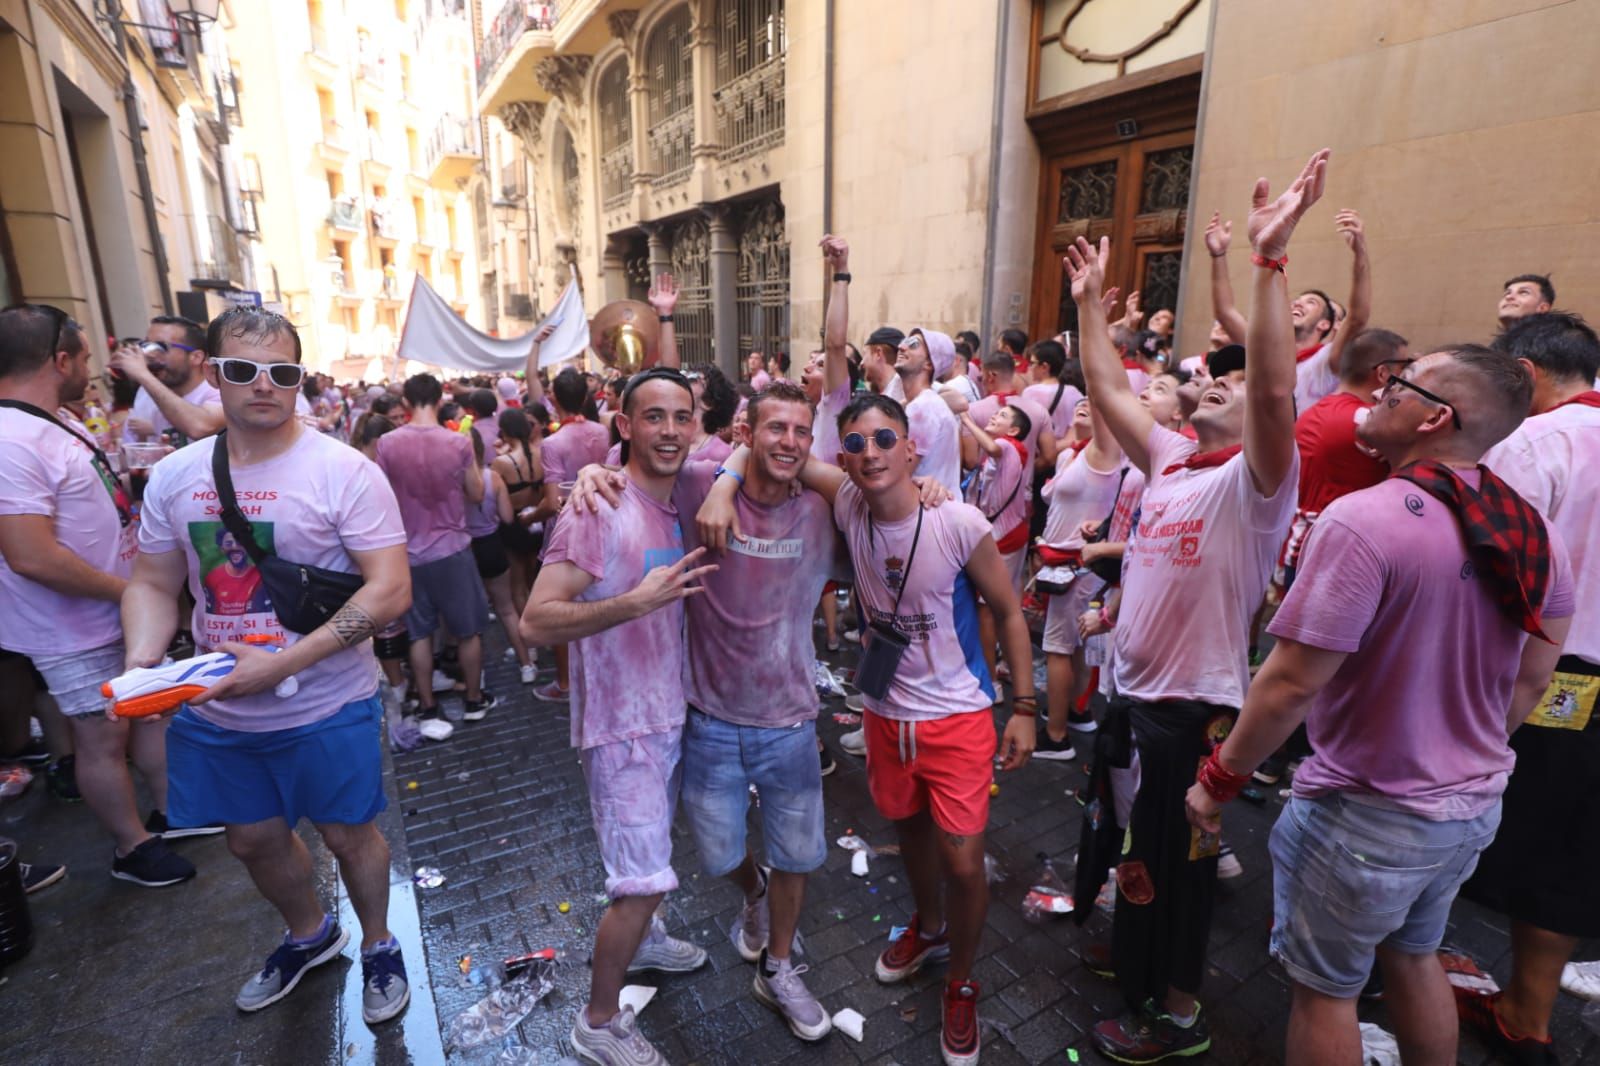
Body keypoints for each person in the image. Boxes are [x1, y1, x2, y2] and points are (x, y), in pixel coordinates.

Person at [1187, 345, 1575, 1066]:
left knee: (1326, 991)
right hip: (1468, 807)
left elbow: (1290, 682)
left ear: (1434, 417)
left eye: (1401, 384)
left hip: (1367, 812)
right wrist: (1465, 749)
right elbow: (1531, 678)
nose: (1382, 389)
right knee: (1415, 953)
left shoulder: (1363, 521)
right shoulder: (1534, 530)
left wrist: (1217, 782)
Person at [1069, 150, 1326, 1062]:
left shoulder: (1261, 482)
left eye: (1226, 385)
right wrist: (1086, 306)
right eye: (1203, 383)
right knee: (1130, 851)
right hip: (1132, 701)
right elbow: (1106, 386)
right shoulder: (1176, 461)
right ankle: (1134, 966)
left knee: (1177, 881)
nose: (1211, 384)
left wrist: (1266, 261)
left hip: (1192, 714)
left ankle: (1174, 1015)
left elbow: (1269, 385)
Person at [123, 306, 415, 1024]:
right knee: (250, 840)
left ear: (297, 379)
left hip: (327, 700)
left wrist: (285, 660)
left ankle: (379, 943)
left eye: (281, 372)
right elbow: (154, 584)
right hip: (218, 704)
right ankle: (311, 934)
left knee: (349, 834)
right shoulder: (175, 476)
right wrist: (142, 666)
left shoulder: (345, 471)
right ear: (213, 374)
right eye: (244, 371)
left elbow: (391, 588)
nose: (264, 386)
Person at [759, 390, 1035, 1066]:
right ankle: (931, 929)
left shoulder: (958, 520)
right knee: (908, 832)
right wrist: (730, 479)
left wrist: (1024, 708)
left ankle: (962, 982)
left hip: (957, 717)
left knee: (965, 861)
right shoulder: (850, 502)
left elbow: (1008, 608)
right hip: (886, 717)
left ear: (912, 448)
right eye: (855, 444)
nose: (870, 453)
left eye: (885, 440)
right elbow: (781, 455)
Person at [520, 367, 713, 1066]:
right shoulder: (597, 507)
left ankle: (649, 941)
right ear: (624, 425)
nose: (668, 430)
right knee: (638, 884)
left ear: (695, 424)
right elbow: (537, 620)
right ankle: (598, 1023)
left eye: (680, 417)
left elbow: (756, 451)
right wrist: (636, 601)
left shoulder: (671, 496)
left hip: (664, 713)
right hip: (623, 730)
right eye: (652, 417)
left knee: (649, 868)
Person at [0, 304, 197, 887]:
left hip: (114, 610)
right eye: (85, 356)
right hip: (72, 624)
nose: (93, 366)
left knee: (147, 712)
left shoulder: (52, 419)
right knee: (101, 736)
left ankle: (172, 814)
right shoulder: (10, 439)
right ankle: (131, 848)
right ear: (59, 360)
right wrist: (130, 591)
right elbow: (30, 555)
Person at [1456, 311, 1600, 1062]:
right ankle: (1525, 1011)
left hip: (1543, 669)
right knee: (1574, 847)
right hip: (1589, 680)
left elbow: (1482, 572)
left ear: (1528, 376)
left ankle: (1412, 973)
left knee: (1469, 819)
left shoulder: (1536, 441)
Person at [375, 373, 496, 725]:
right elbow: (475, 494)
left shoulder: (388, 444)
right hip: (453, 548)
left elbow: (379, 496)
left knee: (419, 633)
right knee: (469, 630)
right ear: (440, 400)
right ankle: (474, 700)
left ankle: (427, 705)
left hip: (409, 553)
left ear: (406, 404)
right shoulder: (457, 444)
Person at [1207, 207, 1371, 412]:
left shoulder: (1326, 361)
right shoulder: (1265, 351)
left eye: (1312, 302)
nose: (1298, 303)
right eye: (1297, 300)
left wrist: (1359, 251)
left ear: (1325, 324)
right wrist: (1218, 254)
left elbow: (1357, 317)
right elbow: (1225, 313)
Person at [1035, 397, 1124, 759]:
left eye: (1093, 402)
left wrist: (1097, 383)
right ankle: (1073, 711)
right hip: (1058, 565)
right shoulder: (1070, 452)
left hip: (1079, 567)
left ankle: (1056, 737)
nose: (1086, 402)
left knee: (1057, 647)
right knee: (1071, 643)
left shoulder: (1105, 451)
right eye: (1081, 400)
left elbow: (1103, 397)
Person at [467, 428, 535, 685]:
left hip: (464, 549)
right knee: (506, 609)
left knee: (471, 618)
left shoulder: (450, 481)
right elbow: (507, 517)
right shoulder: (493, 478)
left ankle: (476, 676)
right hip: (492, 545)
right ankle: (526, 664)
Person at [111, 315, 223, 445]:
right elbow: (138, 450)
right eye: (146, 345)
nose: (151, 355)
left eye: (160, 347)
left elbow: (201, 427)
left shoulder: (218, 389)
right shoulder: (149, 393)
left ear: (196, 357)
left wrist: (142, 374)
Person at [894, 329, 963, 495]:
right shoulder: (921, 404)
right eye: (905, 341)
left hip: (928, 513)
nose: (902, 347)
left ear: (929, 364)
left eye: (913, 345)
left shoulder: (923, 408)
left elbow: (899, 473)